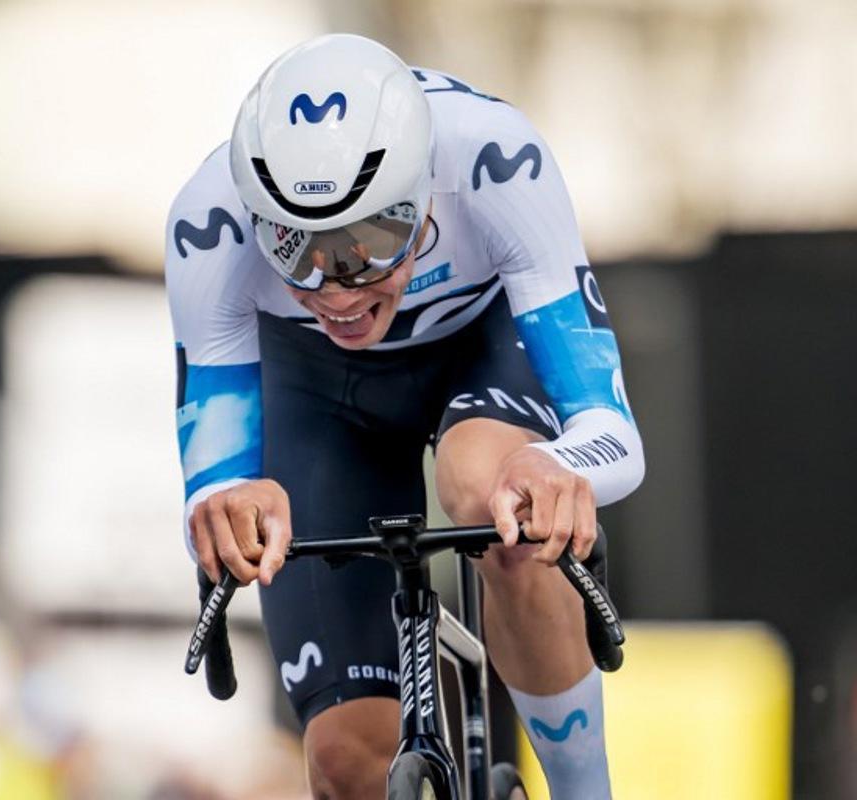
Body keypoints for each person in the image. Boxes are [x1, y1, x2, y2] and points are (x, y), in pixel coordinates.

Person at [165, 33, 643, 800]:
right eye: (293, 249)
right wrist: (227, 502)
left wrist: (555, 471)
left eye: (370, 243)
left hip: (479, 348)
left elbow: (612, 431)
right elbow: (214, 477)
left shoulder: (495, 157)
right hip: (319, 394)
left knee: (490, 489)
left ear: (425, 191)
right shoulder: (208, 222)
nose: (336, 290)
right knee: (347, 763)